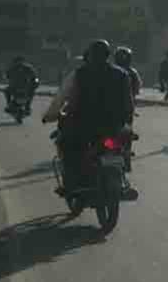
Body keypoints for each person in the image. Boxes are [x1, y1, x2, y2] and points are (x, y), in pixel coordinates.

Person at [48, 40, 136, 200]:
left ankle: (71, 184)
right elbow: (128, 103)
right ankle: (123, 176)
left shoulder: (80, 74)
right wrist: (126, 122)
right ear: (109, 56)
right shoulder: (122, 74)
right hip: (115, 126)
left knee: (65, 143)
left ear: (90, 56)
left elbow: (62, 98)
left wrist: (51, 114)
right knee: (124, 142)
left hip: (85, 126)